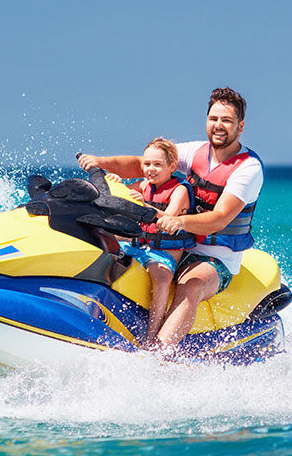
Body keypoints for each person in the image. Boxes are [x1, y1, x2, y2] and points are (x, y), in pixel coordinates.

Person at [78, 87, 264, 351]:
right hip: (172, 244)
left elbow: (221, 218)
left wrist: (180, 222)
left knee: (190, 285)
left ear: (240, 126)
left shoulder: (248, 168)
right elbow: (143, 163)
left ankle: (159, 354)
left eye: (226, 120)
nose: (218, 126)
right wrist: (100, 162)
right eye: (213, 119)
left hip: (214, 256)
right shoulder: (193, 152)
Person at [109, 137, 195, 344]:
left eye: (158, 164)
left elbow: (170, 218)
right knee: (104, 248)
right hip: (137, 245)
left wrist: (147, 208)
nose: (151, 169)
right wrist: (115, 182)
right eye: (147, 164)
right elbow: (123, 194)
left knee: (161, 277)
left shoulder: (180, 190)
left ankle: (152, 335)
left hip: (162, 253)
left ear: (172, 166)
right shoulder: (144, 184)